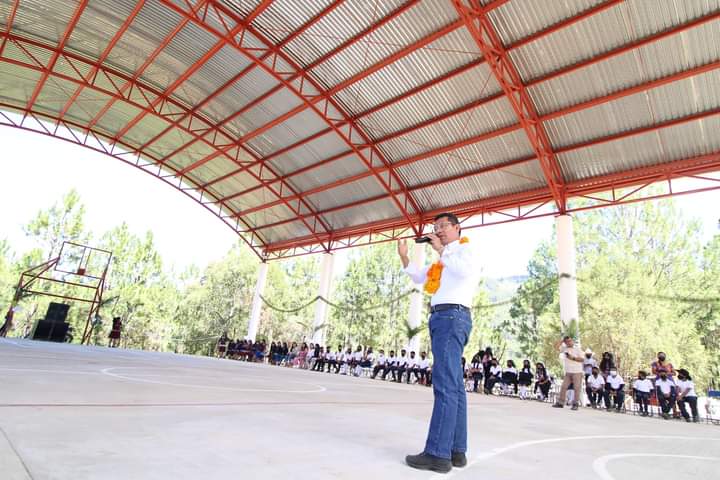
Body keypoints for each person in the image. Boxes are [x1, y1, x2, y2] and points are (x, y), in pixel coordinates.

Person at [399, 212, 479, 472]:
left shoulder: (464, 251)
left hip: (451, 317)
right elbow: (418, 276)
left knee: (444, 385)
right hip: (444, 317)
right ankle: (456, 450)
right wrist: (404, 257)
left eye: (443, 226)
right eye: (436, 227)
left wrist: (442, 250)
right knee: (454, 386)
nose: (439, 230)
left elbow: (463, 270)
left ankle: (437, 454)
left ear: (457, 228)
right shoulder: (442, 260)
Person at [553, 336, 584, 410]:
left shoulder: (577, 349)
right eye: (567, 341)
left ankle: (575, 404)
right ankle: (560, 402)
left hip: (577, 371)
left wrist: (573, 358)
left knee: (576, 388)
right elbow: (555, 347)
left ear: (572, 341)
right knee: (564, 387)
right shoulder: (564, 349)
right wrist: (561, 341)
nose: (569, 342)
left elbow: (582, 359)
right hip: (568, 371)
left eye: (570, 341)